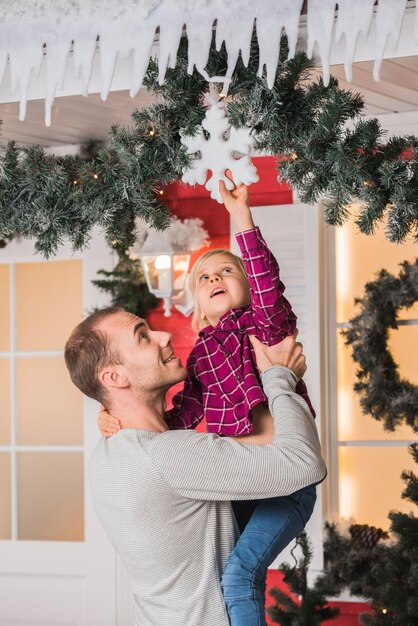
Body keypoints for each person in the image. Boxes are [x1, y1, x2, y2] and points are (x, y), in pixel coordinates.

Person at [100, 177, 318, 625]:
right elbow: (183, 415)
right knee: (227, 573)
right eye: (204, 277)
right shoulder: (200, 355)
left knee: (238, 575)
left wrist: (241, 216)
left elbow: (263, 277)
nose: (216, 277)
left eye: (227, 271)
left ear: (248, 288)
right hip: (240, 482)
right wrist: (119, 421)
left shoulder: (265, 326)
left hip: (287, 485)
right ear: (197, 309)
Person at [65, 308, 326, 626]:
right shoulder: (167, 455)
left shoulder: (106, 455)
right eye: (143, 337)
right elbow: (304, 464)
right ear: (115, 377)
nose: (165, 336)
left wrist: (109, 406)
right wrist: (280, 377)